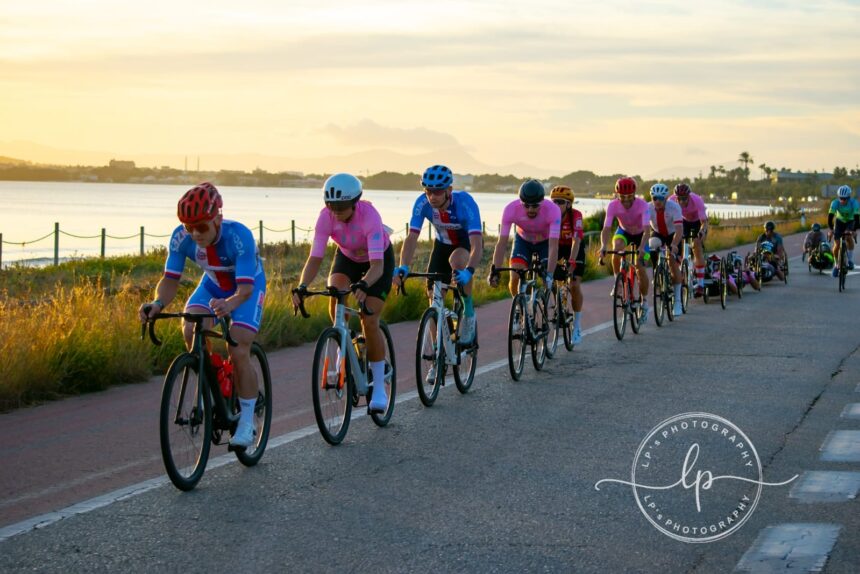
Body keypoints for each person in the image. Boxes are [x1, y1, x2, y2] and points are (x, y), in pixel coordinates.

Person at [138, 182, 266, 448]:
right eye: (189, 227)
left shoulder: (238, 235)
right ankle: (217, 377)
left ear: (218, 217)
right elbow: (170, 279)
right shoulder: (181, 238)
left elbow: (244, 290)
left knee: (239, 347)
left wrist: (230, 305)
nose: (195, 233)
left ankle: (246, 420)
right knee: (190, 327)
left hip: (245, 288)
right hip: (212, 285)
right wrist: (158, 303)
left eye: (201, 227)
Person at [291, 173, 394, 413]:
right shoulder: (325, 217)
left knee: (369, 318)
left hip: (377, 261)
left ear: (355, 202)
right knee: (335, 291)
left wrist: (365, 284)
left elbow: (377, 267)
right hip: (347, 257)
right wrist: (302, 286)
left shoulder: (370, 217)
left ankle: (378, 386)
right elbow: (315, 258)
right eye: (330, 206)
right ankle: (342, 345)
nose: (335, 211)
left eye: (341, 207)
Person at [393, 165, 483, 344]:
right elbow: (411, 238)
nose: (432, 196)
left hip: (463, 244)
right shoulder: (422, 203)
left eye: (437, 192)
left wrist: (469, 271)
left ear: (449, 190)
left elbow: (477, 244)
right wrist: (403, 265)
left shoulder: (465, 203)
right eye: (428, 191)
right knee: (434, 299)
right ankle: (437, 354)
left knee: (456, 260)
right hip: (441, 246)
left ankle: (468, 312)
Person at [488, 180, 561, 296]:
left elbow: (553, 246)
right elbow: (501, 243)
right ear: (521, 202)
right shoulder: (510, 209)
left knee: (546, 277)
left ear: (542, 202)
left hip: (545, 243)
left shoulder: (553, 210)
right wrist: (495, 271)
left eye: (535, 206)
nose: (530, 210)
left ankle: (556, 304)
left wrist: (550, 275)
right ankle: (519, 308)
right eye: (526, 205)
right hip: (523, 241)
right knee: (515, 277)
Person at [599, 177, 651, 320]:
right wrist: (603, 245)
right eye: (622, 197)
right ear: (617, 195)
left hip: (642, 235)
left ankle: (644, 302)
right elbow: (606, 228)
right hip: (624, 232)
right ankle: (619, 283)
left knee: (640, 266)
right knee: (616, 249)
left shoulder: (642, 205)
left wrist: (642, 248)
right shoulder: (612, 205)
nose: (626, 201)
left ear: (634, 194)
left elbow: (647, 231)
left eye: (629, 197)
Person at [550, 185, 585, 344]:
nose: (556, 205)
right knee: (550, 277)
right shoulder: (549, 214)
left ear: (569, 204)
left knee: (574, 286)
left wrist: (571, 261)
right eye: (553, 202)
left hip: (574, 248)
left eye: (560, 202)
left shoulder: (575, 216)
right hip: (557, 247)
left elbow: (576, 240)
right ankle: (558, 299)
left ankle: (577, 325)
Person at [647, 183, 684, 317]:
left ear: (666, 198)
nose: (657, 201)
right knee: (652, 245)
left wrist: (674, 244)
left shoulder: (674, 207)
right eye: (654, 198)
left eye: (660, 198)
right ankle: (657, 271)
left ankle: (678, 302)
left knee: (672, 263)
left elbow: (679, 230)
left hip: (672, 235)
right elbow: (644, 228)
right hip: (657, 233)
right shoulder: (648, 207)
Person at [669, 183, 708, 297]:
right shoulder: (671, 200)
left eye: (684, 199)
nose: (681, 202)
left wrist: (702, 232)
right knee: (677, 242)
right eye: (679, 199)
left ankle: (700, 285)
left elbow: (704, 223)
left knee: (696, 245)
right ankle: (679, 266)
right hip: (683, 221)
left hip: (697, 222)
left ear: (689, 196)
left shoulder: (697, 200)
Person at [827, 185, 859, 277]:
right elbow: (830, 218)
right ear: (838, 197)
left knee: (849, 237)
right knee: (836, 244)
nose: (843, 201)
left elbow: (857, 219)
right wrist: (831, 229)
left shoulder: (854, 203)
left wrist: (854, 230)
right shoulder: (834, 203)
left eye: (845, 199)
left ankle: (850, 260)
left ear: (849, 198)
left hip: (850, 221)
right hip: (839, 221)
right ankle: (836, 265)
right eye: (841, 198)